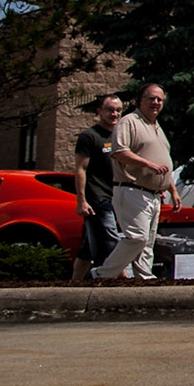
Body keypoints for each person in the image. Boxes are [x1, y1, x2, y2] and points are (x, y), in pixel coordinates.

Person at [92, 84, 180, 280]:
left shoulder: (157, 127)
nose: (156, 103)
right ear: (140, 100)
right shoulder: (129, 122)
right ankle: (102, 274)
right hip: (132, 190)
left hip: (154, 195)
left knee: (147, 243)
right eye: (151, 98)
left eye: (160, 99)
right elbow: (119, 152)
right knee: (137, 238)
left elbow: (164, 160)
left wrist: (172, 190)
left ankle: (144, 278)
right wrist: (149, 165)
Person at [69, 94, 123, 282]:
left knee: (87, 247)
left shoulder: (120, 136)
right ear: (99, 111)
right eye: (110, 110)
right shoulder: (89, 137)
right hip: (97, 198)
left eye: (118, 110)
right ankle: (123, 280)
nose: (114, 114)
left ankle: (74, 284)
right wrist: (81, 200)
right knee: (112, 239)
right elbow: (81, 169)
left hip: (117, 195)